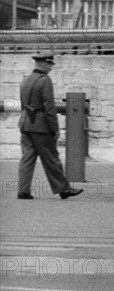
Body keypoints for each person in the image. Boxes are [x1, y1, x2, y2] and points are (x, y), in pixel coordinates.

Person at [18, 54, 83, 200]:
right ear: (42, 64)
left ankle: (23, 191)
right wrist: (55, 128)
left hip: (25, 123)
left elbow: (23, 104)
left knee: (27, 158)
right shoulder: (45, 81)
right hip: (41, 126)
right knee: (51, 158)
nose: (51, 68)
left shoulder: (25, 80)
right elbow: (49, 107)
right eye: (49, 65)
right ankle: (63, 189)